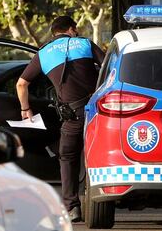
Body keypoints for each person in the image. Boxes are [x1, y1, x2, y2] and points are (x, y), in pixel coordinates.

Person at [16, 16, 104, 221]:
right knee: (99, 154)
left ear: (54, 32)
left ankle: (72, 208)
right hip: (97, 113)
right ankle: (105, 199)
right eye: (76, 30)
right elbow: (109, 67)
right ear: (72, 29)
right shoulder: (85, 44)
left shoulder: (44, 53)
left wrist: (25, 109)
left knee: (68, 158)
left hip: (71, 116)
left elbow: (21, 84)